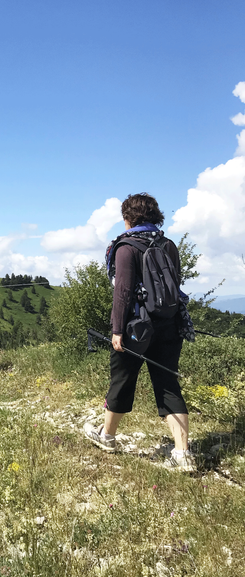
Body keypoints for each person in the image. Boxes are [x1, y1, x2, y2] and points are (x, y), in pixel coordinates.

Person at [84, 193, 195, 472]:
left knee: (122, 380)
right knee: (168, 384)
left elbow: (122, 292)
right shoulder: (168, 245)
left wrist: (117, 330)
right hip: (169, 323)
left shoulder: (126, 247)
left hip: (135, 328)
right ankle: (183, 454)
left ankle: (107, 436)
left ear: (128, 218)